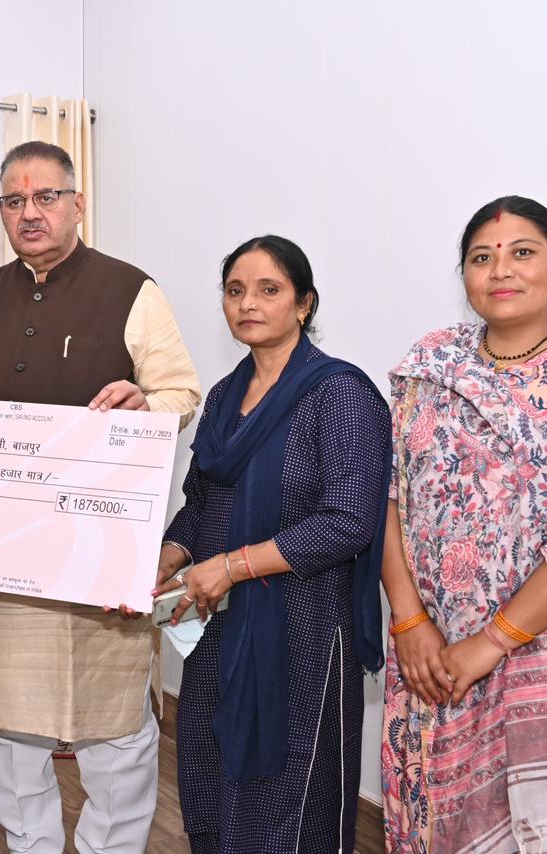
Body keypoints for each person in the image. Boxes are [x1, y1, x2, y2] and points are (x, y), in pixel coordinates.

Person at [0, 141, 201, 854]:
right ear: (1, 212)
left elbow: (182, 391)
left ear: (77, 204)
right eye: (14, 201)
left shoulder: (132, 288)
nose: (30, 212)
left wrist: (144, 402)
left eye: (46, 197)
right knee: (5, 724)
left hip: (95, 554)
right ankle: (31, 845)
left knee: (113, 725)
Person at [380, 196, 547, 853]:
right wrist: (411, 623)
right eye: (481, 257)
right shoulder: (430, 366)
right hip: (431, 656)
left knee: (545, 835)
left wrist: (490, 643)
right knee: (433, 824)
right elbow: (388, 497)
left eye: (522, 252)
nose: (500, 269)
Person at [153, 235, 392, 854]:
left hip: (304, 628)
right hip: (218, 623)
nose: (248, 304)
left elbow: (348, 522)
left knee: (290, 793)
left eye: (269, 289)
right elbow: (202, 502)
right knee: (209, 770)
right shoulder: (224, 397)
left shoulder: (339, 393)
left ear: (304, 303)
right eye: (235, 291)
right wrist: (169, 556)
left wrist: (230, 567)